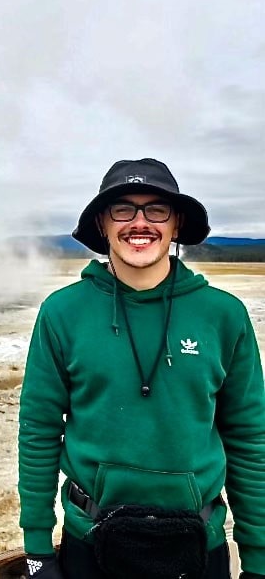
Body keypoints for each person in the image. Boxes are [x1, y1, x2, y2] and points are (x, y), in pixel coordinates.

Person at [18, 158, 265, 579]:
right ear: (102, 223)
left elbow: (249, 437)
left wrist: (258, 555)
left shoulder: (224, 315)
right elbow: (38, 429)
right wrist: (38, 549)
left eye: (156, 210)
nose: (140, 223)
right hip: (90, 542)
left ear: (176, 223)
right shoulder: (62, 312)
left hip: (198, 543)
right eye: (123, 209)